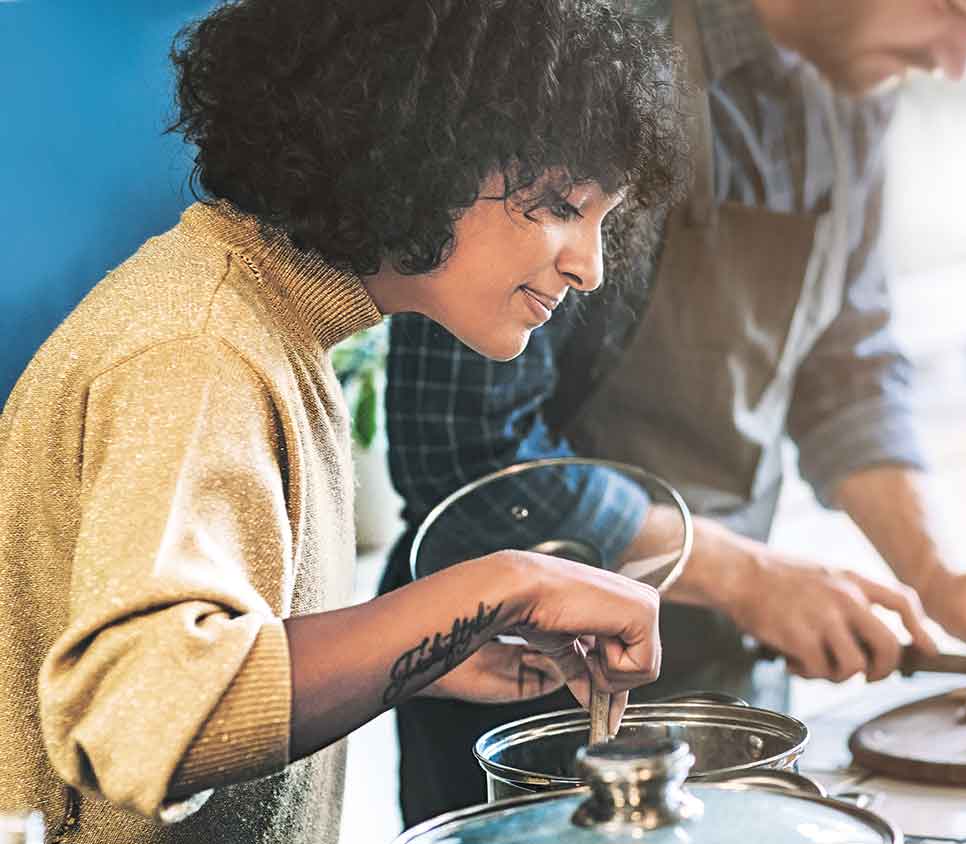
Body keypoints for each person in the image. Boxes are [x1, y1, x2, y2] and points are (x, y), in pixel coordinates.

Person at [0, 1, 688, 841]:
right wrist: (511, 582)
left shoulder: (271, 323)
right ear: (425, 145)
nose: (591, 268)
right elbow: (143, 713)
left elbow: (230, 638)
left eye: (604, 220)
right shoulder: (197, 348)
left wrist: (423, 655)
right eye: (559, 206)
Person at [381, 0, 966, 825]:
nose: (956, 61)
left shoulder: (858, 90)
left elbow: (846, 366)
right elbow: (469, 455)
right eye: (956, 6)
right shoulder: (576, 48)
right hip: (529, 705)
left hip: (727, 689)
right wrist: (747, 577)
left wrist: (938, 573)